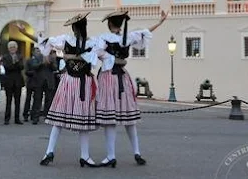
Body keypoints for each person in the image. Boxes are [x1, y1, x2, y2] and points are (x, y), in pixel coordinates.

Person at [18, 13, 99, 167]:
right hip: (79, 82)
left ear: (75, 28)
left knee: (62, 120)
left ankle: (53, 152)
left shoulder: (76, 41)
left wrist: (69, 56)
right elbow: (46, 42)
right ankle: (82, 156)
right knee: (75, 121)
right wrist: (25, 33)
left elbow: (46, 42)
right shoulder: (85, 42)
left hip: (72, 82)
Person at [95, 10, 168, 168]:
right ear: (120, 24)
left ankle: (111, 156)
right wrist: (161, 22)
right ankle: (137, 152)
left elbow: (98, 52)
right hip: (123, 77)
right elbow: (146, 32)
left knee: (109, 119)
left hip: (109, 77)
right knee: (129, 118)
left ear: (109, 24)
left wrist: (109, 58)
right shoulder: (127, 37)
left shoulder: (104, 37)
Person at [0, 41, 24, 125]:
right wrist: (14, 64)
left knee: (17, 101)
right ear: (8, 49)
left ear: (16, 48)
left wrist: (16, 62)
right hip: (9, 81)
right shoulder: (5, 57)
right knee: (8, 100)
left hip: (18, 81)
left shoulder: (20, 56)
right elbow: (6, 67)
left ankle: (17, 119)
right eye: (11, 47)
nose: (12, 49)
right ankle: (7, 119)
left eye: (14, 47)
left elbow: (21, 67)